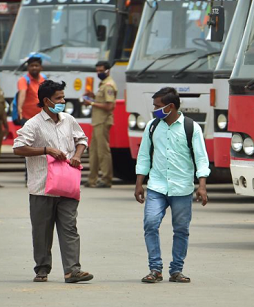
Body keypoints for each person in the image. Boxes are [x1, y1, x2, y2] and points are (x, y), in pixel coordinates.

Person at [12, 80, 94, 284]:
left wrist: (77, 155)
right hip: (41, 189)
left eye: (63, 97)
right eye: (59, 98)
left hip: (67, 186)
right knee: (42, 232)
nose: (63, 101)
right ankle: (42, 269)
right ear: (47, 101)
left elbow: (82, 139)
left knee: (70, 228)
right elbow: (18, 148)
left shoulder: (68, 119)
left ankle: (72, 270)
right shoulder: (33, 124)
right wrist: (46, 150)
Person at [134, 87, 210, 284]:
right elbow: (143, 156)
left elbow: (201, 159)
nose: (154, 109)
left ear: (171, 107)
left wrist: (201, 186)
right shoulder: (152, 126)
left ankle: (176, 270)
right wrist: (139, 183)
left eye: (157, 106)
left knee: (181, 230)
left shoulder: (191, 128)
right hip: (156, 187)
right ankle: (155, 269)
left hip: (182, 188)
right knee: (150, 224)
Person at [83, 61, 117, 188]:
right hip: (97, 121)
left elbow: (109, 106)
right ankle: (92, 179)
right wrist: (93, 97)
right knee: (93, 151)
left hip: (103, 121)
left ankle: (106, 179)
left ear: (108, 70)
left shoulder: (108, 85)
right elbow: (102, 101)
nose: (99, 73)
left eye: (101, 70)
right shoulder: (103, 84)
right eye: (97, 71)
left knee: (103, 152)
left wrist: (91, 103)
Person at [16, 56, 46, 125]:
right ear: (28, 68)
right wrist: (19, 108)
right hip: (27, 118)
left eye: (36, 65)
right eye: (31, 66)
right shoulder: (23, 80)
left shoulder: (44, 79)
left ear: (41, 67)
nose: (34, 67)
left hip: (42, 117)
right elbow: (22, 93)